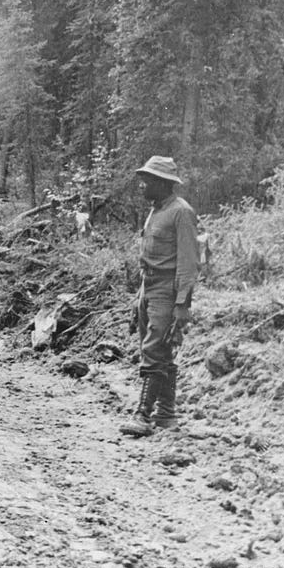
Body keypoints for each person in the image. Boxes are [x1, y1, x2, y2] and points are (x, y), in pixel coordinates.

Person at [122, 156, 200, 437]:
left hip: (167, 292)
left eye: (148, 180)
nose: (143, 185)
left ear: (163, 184)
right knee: (159, 350)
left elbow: (189, 263)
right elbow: (149, 259)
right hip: (149, 289)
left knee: (154, 350)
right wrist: (139, 298)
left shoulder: (181, 212)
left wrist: (182, 304)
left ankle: (143, 414)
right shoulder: (156, 211)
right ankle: (166, 415)